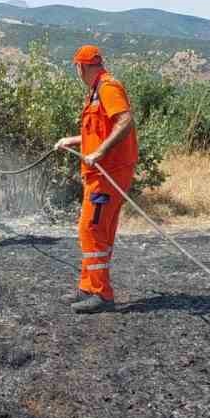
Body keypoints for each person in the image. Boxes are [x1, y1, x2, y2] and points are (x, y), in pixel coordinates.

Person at [53, 44, 137, 313]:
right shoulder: (95, 92)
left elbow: (125, 121)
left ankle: (102, 294)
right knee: (93, 230)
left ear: (81, 67)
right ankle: (88, 287)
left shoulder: (108, 88)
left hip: (109, 174)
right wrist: (73, 140)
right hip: (100, 174)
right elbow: (99, 132)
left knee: (91, 228)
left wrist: (100, 152)